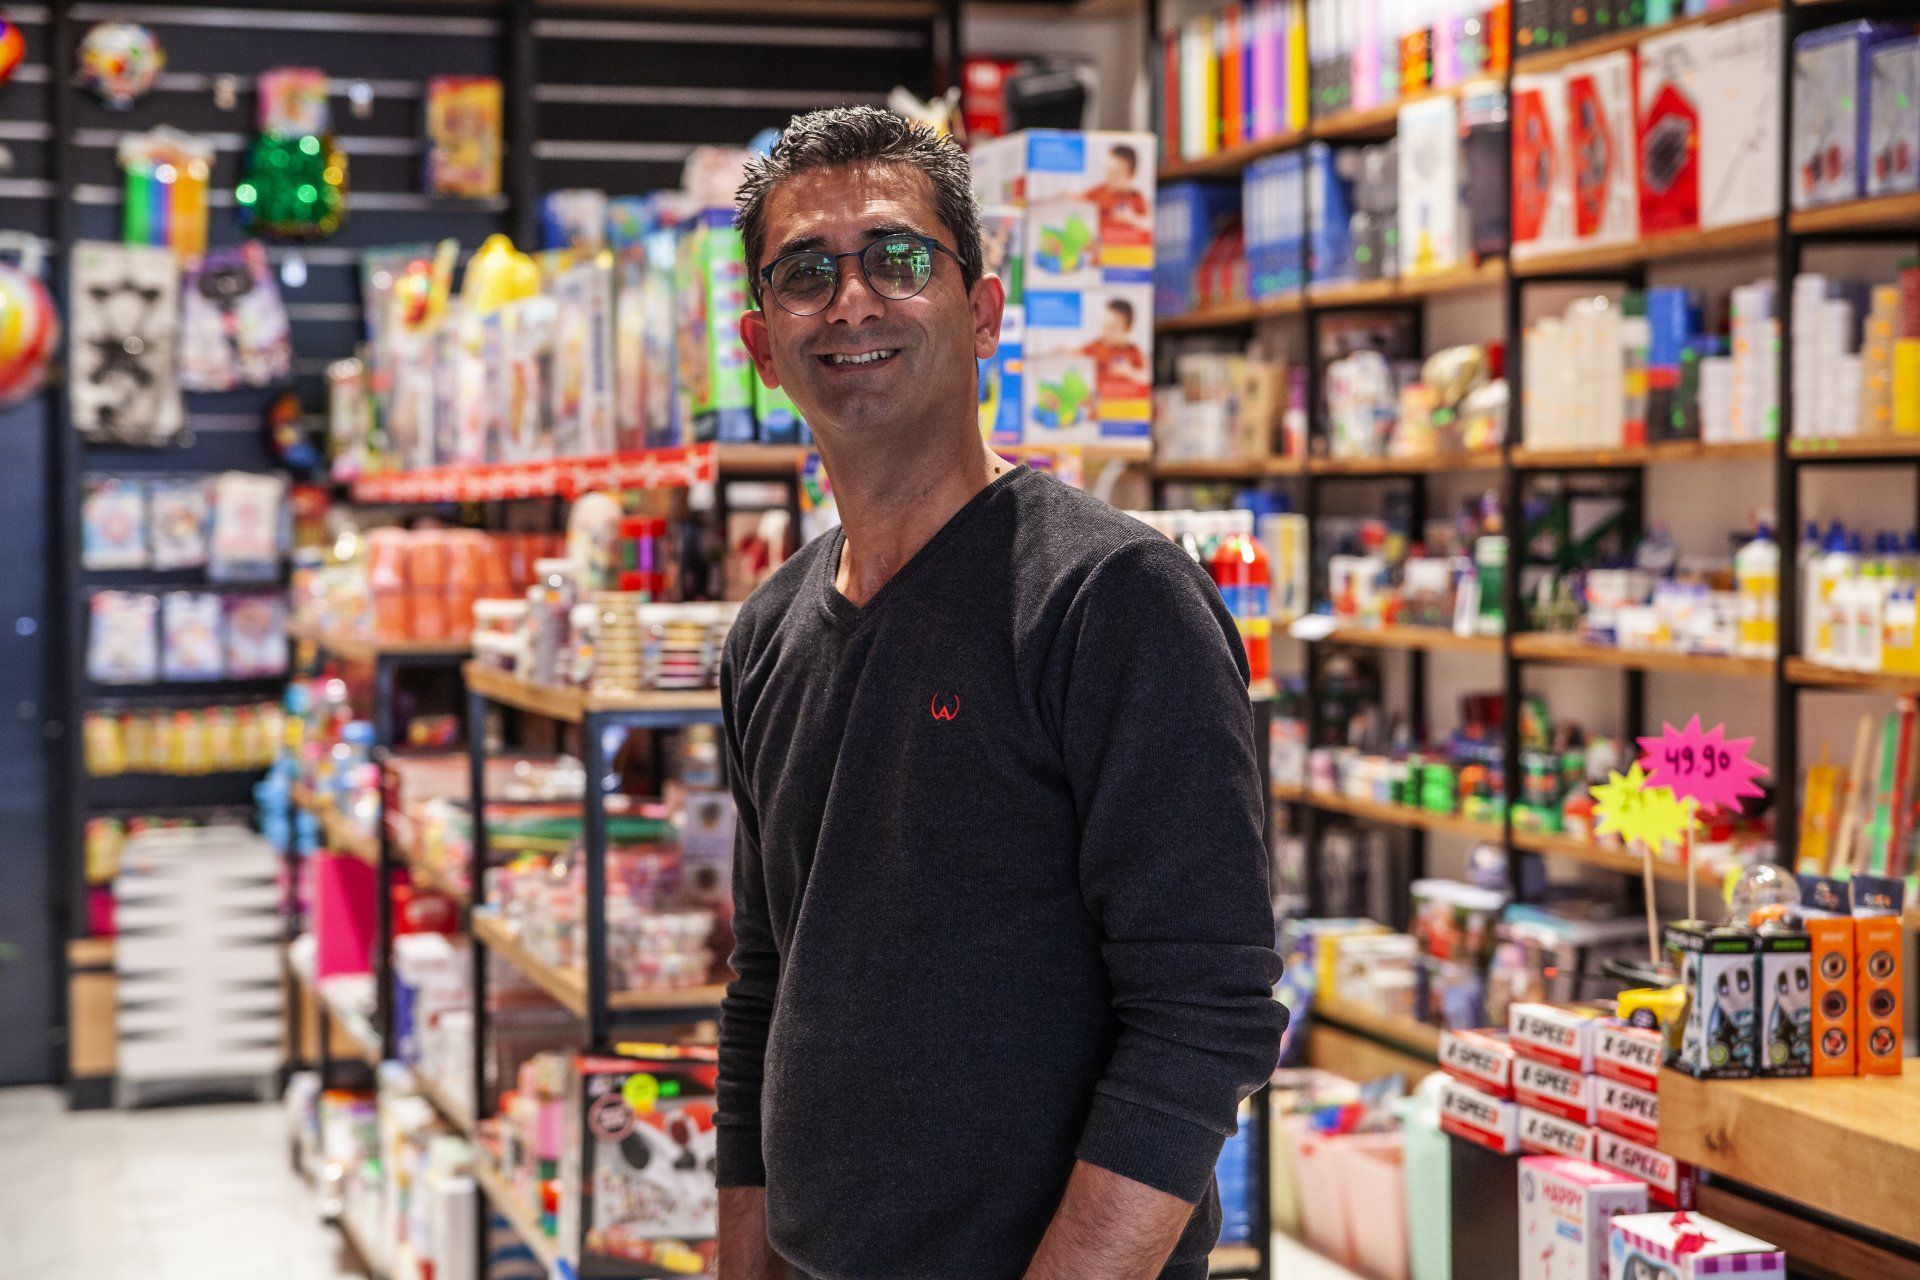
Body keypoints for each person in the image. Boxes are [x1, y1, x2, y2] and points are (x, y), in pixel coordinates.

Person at [720, 105, 1284, 1280]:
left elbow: (1204, 1010)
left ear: (983, 312)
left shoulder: (1114, 598)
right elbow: (766, 985)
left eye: (899, 258)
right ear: (762, 344)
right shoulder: (768, 634)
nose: (852, 300)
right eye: (806, 272)